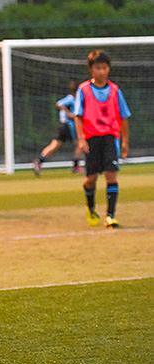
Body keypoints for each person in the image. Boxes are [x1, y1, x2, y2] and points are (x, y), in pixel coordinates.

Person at [74, 50, 131, 229]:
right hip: (91, 138)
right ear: (91, 69)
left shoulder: (115, 90)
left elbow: (123, 117)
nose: (101, 71)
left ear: (109, 69)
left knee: (111, 175)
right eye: (98, 68)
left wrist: (125, 141)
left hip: (110, 137)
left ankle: (110, 216)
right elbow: (78, 116)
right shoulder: (83, 90)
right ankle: (91, 208)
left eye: (104, 68)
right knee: (91, 179)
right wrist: (81, 139)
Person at [32, 81, 83, 176]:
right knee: (80, 143)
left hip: (64, 125)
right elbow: (59, 103)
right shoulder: (71, 98)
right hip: (68, 125)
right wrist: (69, 114)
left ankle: (39, 161)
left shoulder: (74, 99)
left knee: (55, 144)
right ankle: (76, 166)